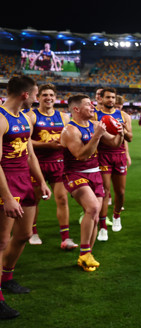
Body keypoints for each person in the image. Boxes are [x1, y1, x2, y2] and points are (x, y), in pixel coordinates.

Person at [0, 76, 51, 319]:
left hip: (25, 181)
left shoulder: (25, 118)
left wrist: (40, 181)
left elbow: (30, 155)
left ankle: (7, 277)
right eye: (36, 93)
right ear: (25, 95)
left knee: (24, 234)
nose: (37, 97)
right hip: (7, 182)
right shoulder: (1, 119)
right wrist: (7, 197)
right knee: (1, 241)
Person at [60, 94, 124, 272]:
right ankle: (84, 252)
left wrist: (121, 132)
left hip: (95, 173)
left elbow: (114, 143)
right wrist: (96, 136)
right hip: (75, 173)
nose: (93, 106)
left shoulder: (95, 125)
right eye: (88, 105)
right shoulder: (70, 131)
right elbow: (81, 155)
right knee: (94, 208)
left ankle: (87, 255)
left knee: (95, 216)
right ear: (76, 109)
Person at [26, 84, 78, 250]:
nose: (48, 98)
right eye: (44, 95)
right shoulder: (31, 116)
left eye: (51, 95)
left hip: (58, 164)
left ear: (55, 98)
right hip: (37, 164)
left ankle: (66, 237)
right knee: (34, 201)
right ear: (39, 97)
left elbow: (70, 139)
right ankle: (33, 232)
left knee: (62, 199)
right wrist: (46, 145)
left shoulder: (64, 117)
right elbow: (26, 141)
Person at [95, 88, 133, 240]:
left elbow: (130, 137)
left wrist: (123, 130)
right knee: (104, 192)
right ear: (102, 99)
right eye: (108, 97)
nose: (111, 100)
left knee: (121, 192)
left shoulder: (124, 116)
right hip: (102, 155)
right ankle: (102, 227)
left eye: (113, 97)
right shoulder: (95, 115)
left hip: (119, 155)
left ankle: (116, 215)